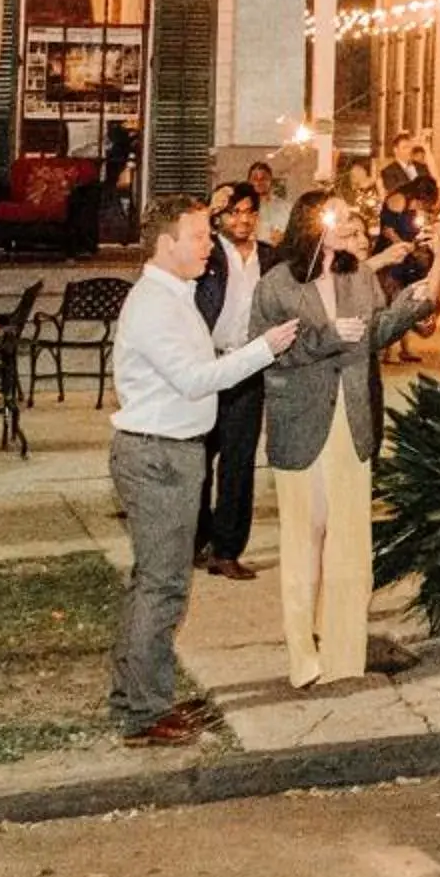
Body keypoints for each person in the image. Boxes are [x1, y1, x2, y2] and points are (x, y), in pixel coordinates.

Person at [108, 195, 300, 745]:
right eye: (197, 237)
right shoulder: (155, 305)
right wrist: (263, 349)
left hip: (170, 450)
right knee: (164, 586)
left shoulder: (176, 295)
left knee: (153, 581)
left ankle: (134, 694)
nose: (207, 247)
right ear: (166, 244)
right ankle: (144, 711)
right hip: (158, 454)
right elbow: (195, 379)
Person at [252, 192, 438, 688]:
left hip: (351, 418)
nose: (344, 223)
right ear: (310, 224)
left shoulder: (358, 276)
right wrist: (327, 337)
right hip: (301, 418)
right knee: (305, 534)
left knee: (349, 537)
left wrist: (420, 295)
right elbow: (268, 352)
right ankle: (301, 656)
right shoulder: (279, 283)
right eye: (332, 215)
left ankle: (343, 652)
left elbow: (375, 334)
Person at [192, 183, 270, 580]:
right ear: (221, 216)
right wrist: (208, 214)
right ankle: (198, 540)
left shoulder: (269, 258)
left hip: (249, 366)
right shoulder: (207, 254)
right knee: (199, 459)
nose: (242, 219)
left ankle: (227, 549)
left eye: (249, 212)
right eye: (234, 212)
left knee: (238, 463)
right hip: (207, 365)